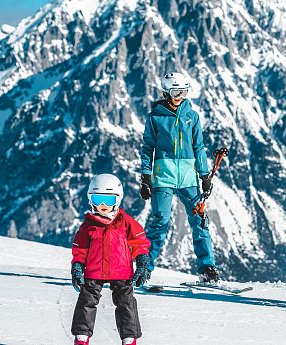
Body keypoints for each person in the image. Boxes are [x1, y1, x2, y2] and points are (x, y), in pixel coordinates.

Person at [139, 72, 219, 283]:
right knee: (160, 222)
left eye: (183, 92)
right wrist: (145, 176)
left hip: (188, 178)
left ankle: (207, 267)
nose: (180, 96)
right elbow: (147, 147)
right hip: (163, 177)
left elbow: (199, 147)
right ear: (166, 92)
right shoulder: (155, 117)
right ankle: (145, 267)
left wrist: (204, 175)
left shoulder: (191, 116)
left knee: (199, 220)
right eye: (176, 92)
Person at [70, 174, 151, 345]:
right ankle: (81, 338)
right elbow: (80, 249)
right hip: (94, 271)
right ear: (90, 199)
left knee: (126, 304)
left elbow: (140, 242)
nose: (103, 205)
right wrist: (77, 266)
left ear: (117, 199)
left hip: (121, 272)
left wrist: (142, 262)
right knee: (86, 302)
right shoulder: (88, 225)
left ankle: (129, 339)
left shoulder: (125, 222)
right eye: (98, 199)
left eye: (108, 199)